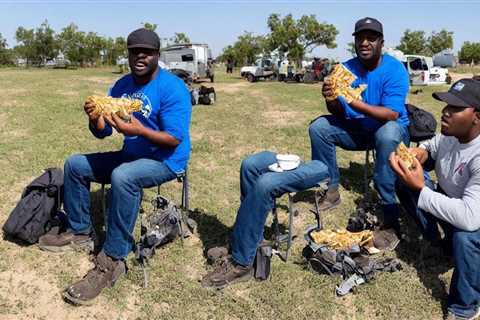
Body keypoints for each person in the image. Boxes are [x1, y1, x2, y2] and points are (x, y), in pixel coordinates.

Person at [38, 28, 192, 305]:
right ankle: (80, 231)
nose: (140, 56)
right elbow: (103, 133)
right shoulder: (121, 86)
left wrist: (139, 130)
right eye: (134, 51)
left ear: (157, 55)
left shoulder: (172, 88)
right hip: (131, 155)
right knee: (75, 164)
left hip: (166, 161)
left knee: (123, 176)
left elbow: (174, 138)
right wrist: (94, 117)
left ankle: (113, 259)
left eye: (146, 51)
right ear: (128, 54)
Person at [309, 17, 410, 233]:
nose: (364, 43)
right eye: (360, 38)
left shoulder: (395, 69)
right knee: (319, 128)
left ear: (381, 43)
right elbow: (338, 111)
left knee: (387, 133)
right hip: (359, 130)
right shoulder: (346, 69)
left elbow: (391, 114)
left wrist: (354, 101)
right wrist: (331, 98)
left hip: (391, 132)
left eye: (371, 38)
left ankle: (388, 208)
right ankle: (330, 189)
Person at [390, 79, 480, 320]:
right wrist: (421, 152)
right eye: (446, 105)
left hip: (473, 220)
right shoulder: (451, 135)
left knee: (466, 237)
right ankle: (440, 244)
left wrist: (421, 189)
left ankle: (465, 307)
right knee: (404, 181)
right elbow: (432, 144)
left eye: (455, 108)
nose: (445, 112)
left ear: (477, 117)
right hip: (452, 203)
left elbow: (470, 219)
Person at [201, 151, 329, 289]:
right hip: (300, 161)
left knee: (266, 184)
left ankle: (241, 265)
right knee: (249, 166)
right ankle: (248, 243)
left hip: (323, 167)